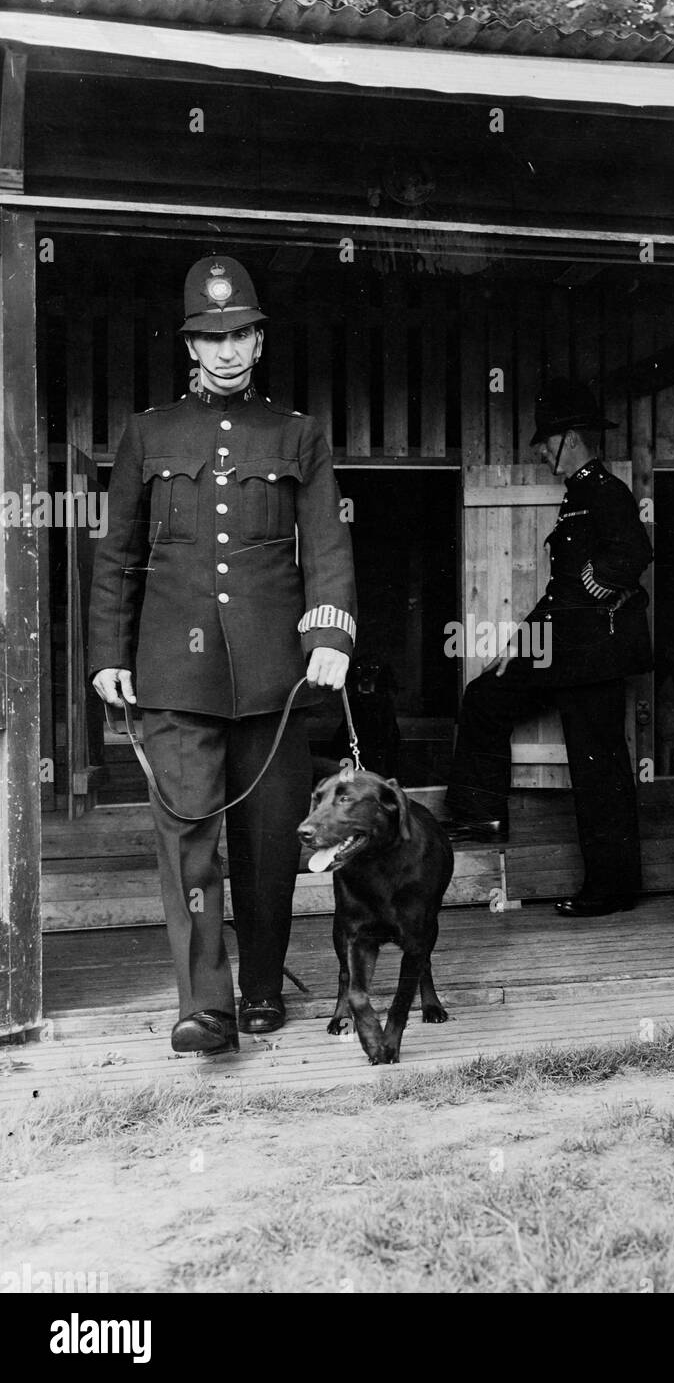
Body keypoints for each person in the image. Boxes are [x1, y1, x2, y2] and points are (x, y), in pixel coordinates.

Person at [89, 255, 356, 1054]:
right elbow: (119, 553)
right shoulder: (149, 432)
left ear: (260, 341)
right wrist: (109, 650)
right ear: (190, 347)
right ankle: (206, 1007)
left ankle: (264, 988)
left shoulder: (298, 434)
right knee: (189, 840)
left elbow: (326, 547)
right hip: (173, 675)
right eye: (213, 337)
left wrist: (330, 636)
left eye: (241, 333)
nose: (228, 350)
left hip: (276, 676)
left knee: (273, 841)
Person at [445, 378, 653, 917]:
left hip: (593, 657)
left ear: (571, 439)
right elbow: (557, 595)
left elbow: (633, 554)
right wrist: (517, 647)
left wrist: (597, 582)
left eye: (545, 440)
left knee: (598, 767)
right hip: (562, 649)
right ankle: (479, 814)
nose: (539, 450)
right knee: (486, 696)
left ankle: (611, 888)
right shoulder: (577, 497)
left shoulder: (607, 492)